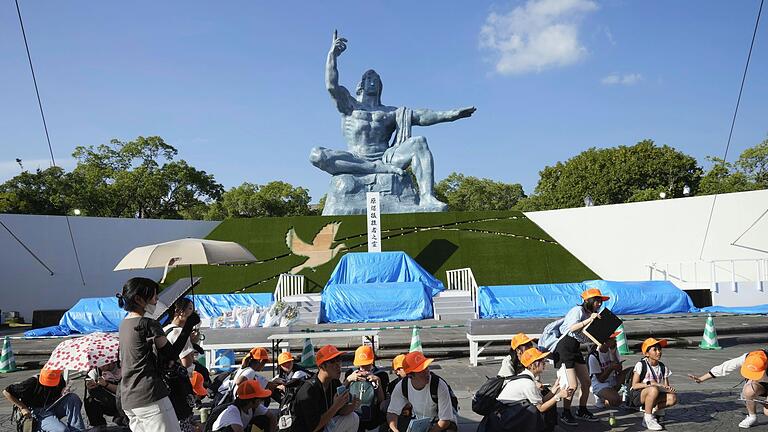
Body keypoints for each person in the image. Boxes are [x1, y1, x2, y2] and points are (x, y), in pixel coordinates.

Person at [310, 31, 476, 211]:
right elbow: (331, 85)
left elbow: (423, 116)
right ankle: (373, 168)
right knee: (317, 155)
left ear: (380, 86)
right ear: (361, 84)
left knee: (419, 142)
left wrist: (452, 114)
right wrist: (332, 55)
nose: (372, 81)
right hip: (355, 158)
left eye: (376, 79)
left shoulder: (392, 112)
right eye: (368, 78)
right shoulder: (349, 105)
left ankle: (427, 197)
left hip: (386, 157)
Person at [117, 277, 200, 432]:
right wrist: (188, 326)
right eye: (154, 296)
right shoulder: (148, 324)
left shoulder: (124, 324)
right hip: (150, 394)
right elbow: (171, 354)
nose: (156, 300)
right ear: (139, 299)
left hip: (128, 397)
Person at [552, 288, 608, 425]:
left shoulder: (592, 314)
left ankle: (582, 410)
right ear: (588, 301)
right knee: (572, 384)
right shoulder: (577, 311)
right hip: (565, 347)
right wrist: (589, 320)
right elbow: (571, 328)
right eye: (597, 301)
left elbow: (587, 335)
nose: (599, 304)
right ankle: (566, 412)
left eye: (600, 301)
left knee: (586, 382)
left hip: (575, 347)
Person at [496, 347, 572, 431]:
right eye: (541, 361)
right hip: (505, 417)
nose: (544, 363)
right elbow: (541, 408)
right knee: (534, 411)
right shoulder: (528, 383)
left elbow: (541, 400)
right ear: (531, 365)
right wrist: (558, 396)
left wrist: (555, 388)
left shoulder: (527, 377)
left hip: (507, 413)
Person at [688, 349, 768, 428]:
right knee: (748, 391)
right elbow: (725, 367)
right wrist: (701, 379)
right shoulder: (749, 357)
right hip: (760, 384)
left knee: (767, 412)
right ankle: (752, 417)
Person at [294, 345, 360, 432]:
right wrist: (336, 406)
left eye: (339, 360)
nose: (338, 365)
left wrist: (351, 407)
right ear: (322, 366)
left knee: (353, 417)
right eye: (333, 361)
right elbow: (314, 427)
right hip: (309, 429)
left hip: (324, 427)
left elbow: (339, 411)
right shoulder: (308, 390)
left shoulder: (334, 382)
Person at [386, 351, 457, 432]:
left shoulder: (439, 385)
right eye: (421, 371)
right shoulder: (402, 386)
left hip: (440, 422)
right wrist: (395, 430)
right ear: (410, 375)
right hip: (417, 421)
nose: (426, 372)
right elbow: (392, 412)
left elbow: (445, 421)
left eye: (426, 367)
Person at [3, 367, 85, 432]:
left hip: (52, 406)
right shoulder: (31, 382)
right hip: (37, 412)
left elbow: (59, 394)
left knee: (72, 398)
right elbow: (6, 392)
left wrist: (63, 392)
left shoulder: (59, 378)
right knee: (62, 430)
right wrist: (23, 408)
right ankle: (38, 427)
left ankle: (76, 430)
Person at [163, 297, 200, 432]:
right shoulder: (179, 332)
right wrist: (191, 345)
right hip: (180, 383)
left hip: (168, 382)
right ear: (179, 311)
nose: (193, 312)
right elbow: (186, 362)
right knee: (184, 421)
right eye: (190, 308)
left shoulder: (166, 329)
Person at [630, 338, 677, 431]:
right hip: (638, 396)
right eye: (654, 350)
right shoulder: (641, 365)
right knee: (653, 389)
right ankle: (647, 419)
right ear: (647, 354)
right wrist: (651, 384)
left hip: (655, 394)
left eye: (659, 349)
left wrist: (668, 389)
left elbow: (666, 386)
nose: (658, 352)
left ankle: (652, 409)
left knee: (673, 398)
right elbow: (635, 385)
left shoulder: (663, 367)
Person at [345, 345, 390, 431]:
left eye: (366, 364)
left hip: (373, 418)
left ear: (372, 361)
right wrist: (348, 380)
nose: (363, 368)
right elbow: (341, 395)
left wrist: (378, 382)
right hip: (353, 416)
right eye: (361, 365)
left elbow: (382, 401)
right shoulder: (350, 373)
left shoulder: (381, 375)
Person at [84, 361, 128, 430]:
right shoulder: (95, 371)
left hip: (124, 401)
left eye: (106, 363)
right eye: (100, 364)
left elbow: (125, 390)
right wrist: (90, 385)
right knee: (90, 400)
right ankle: (98, 425)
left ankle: (122, 417)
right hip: (107, 401)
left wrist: (106, 384)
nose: (103, 367)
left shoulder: (123, 367)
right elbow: (89, 382)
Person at [587, 332, 624, 408]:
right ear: (605, 342)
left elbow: (619, 370)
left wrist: (614, 355)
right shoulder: (594, 356)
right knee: (616, 400)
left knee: (631, 371)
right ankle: (600, 395)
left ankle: (610, 394)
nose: (615, 340)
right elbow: (600, 379)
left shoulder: (613, 350)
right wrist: (610, 368)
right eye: (613, 339)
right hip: (599, 384)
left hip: (612, 379)